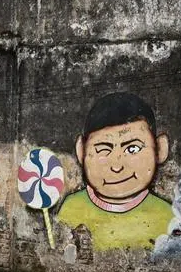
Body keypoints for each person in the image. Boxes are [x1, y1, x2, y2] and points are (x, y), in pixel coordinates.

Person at [56, 91, 173, 251]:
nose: (117, 166)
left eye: (132, 149)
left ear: (160, 149)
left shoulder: (168, 217)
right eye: (103, 150)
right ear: (81, 151)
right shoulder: (71, 208)